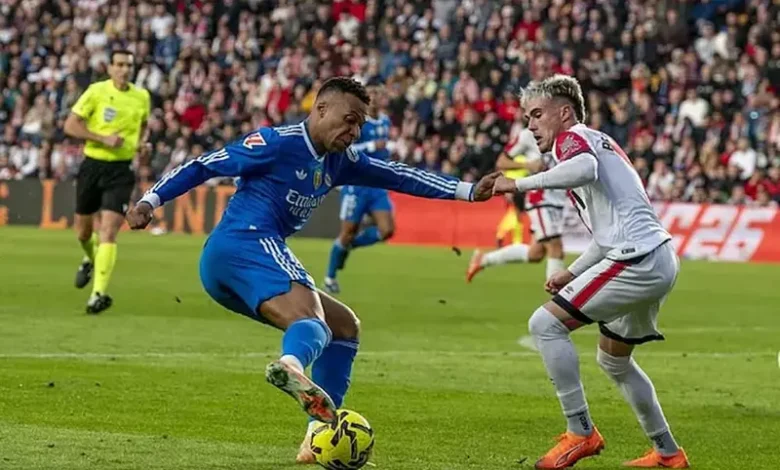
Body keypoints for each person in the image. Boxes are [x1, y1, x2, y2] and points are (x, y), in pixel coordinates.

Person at [125, 77, 497, 463]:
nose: (354, 132)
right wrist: (151, 201)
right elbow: (205, 165)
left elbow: (397, 175)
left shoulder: (340, 160)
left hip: (237, 264)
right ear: (321, 109)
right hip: (242, 243)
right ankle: (290, 366)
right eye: (349, 120)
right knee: (314, 322)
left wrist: (468, 191)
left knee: (344, 327)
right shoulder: (277, 143)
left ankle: (316, 435)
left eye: (360, 125)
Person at [492, 75, 689, 469]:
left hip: (638, 259)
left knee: (545, 325)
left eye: (537, 115)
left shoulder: (573, 140)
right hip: (656, 255)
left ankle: (580, 432)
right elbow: (605, 235)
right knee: (615, 362)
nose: (531, 126)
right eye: (527, 118)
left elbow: (583, 169)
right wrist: (573, 271)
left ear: (565, 113)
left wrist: (517, 184)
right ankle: (669, 453)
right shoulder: (599, 143)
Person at [64, 49, 151, 314]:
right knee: (83, 232)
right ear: (110, 68)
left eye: (128, 65)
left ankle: (98, 294)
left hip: (121, 171)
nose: (124, 70)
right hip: (93, 165)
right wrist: (103, 139)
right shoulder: (96, 91)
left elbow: (143, 125)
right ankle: (90, 258)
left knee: (109, 231)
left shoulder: (142, 96)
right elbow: (70, 126)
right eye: (119, 65)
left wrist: (142, 144)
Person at [467, 116, 567, 283]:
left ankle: (483, 260)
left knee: (536, 253)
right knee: (555, 247)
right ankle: (558, 298)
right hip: (541, 198)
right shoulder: (527, 135)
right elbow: (502, 161)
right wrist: (529, 165)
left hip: (558, 199)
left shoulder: (566, 132)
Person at [324, 80, 394, 294]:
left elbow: (383, 150)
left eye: (380, 93)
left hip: (377, 185)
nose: (377, 97)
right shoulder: (356, 121)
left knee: (387, 230)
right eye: (373, 93)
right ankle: (330, 277)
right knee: (347, 233)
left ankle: (349, 246)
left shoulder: (385, 121)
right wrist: (371, 146)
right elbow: (345, 148)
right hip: (356, 186)